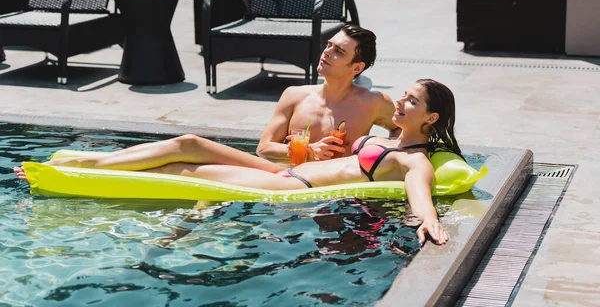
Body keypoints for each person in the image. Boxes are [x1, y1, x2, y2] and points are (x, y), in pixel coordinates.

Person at [15, 79, 458, 245]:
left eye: (411, 101)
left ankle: (75, 170)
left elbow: (420, 194)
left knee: (179, 170)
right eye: (403, 96)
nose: (400, 101)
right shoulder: (380, 138)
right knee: (188, 142)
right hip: (281, 170)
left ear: (430, 117)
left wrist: (429, 223)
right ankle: (89, 160)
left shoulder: (413, 159)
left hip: (291, 189)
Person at [256, 24, 401, 162]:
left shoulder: (374, 102)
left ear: (357, 68)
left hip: (339, 184)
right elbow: (263, 148)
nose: (327, 52)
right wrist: (307, 150)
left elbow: (400, 129)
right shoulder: (294, 96)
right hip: (296, 179)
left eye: (339, 51)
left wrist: (385, 153)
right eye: (329, 45)